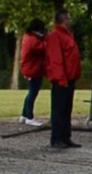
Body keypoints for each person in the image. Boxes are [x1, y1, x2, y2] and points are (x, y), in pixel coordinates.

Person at [45, 10, 82, 149]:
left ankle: (65, 136)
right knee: (59, 109)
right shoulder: (56, 36)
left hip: (69, 77)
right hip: (62, 78)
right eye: (68, 19)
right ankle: (57, 138)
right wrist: (61, 78)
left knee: (66, 109)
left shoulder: (67, 36)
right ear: (64, 20)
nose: (70, 21)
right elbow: (56, 59)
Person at [19, 19, 46, 126]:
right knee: (33, 93)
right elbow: (43, 48)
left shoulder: (28, 37)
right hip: (33, 69)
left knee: (31, 92)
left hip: (29, 68)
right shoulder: (34, 41)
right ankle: (29, 117)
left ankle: (24, 114)